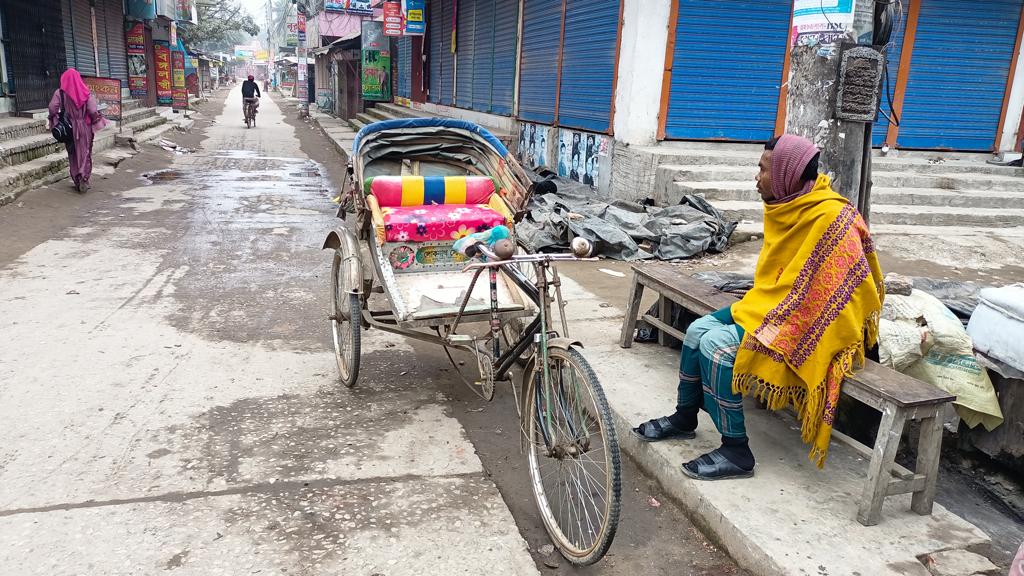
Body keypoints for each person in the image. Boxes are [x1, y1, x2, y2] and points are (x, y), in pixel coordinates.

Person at [632, 134, 884, 480]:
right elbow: (778, 280)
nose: (757, 178)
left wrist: (786, 319)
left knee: (716, 347)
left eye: (762, 169)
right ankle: (684, 417)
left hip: (813, 323)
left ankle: (737, 451)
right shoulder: (789, 205)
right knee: (696, 331)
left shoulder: (832, 218)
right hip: (773, 306)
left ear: (785, 174)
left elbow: (844, 294)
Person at [48, 68, 108, 193]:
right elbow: (92, 110)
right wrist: (97, 119)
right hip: (84, 127)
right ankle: (84, 177)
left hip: (69, 128)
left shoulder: (60, 93)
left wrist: (54, 118)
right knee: (85, 152)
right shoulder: (86, 93)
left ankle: (76, 178)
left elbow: (52, 108)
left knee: (73, 153)